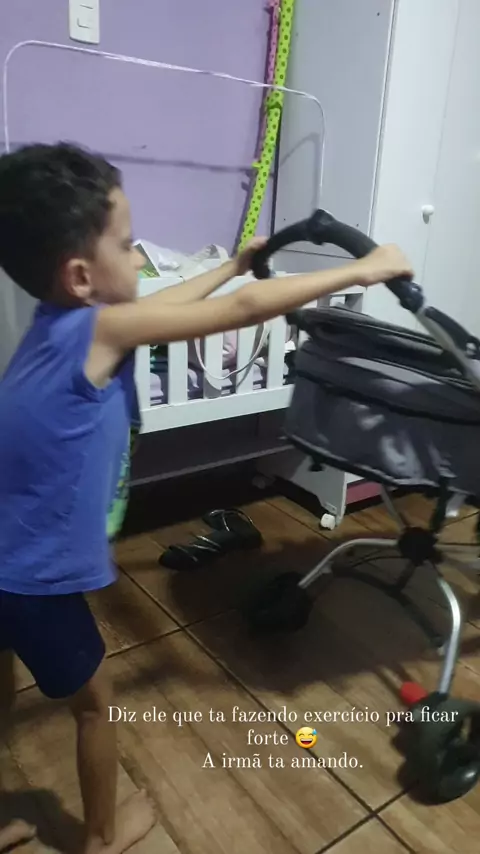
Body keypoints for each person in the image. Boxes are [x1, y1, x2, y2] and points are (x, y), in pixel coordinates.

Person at [0, 142, 414, 854]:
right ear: (80, 276)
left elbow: (160, 305)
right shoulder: (97, 330)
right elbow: (244, 311)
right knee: (95, 705)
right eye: (127, 246)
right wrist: (363, 269)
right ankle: (99, 837)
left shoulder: (53, 327)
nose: (138, 259)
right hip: (29, 580)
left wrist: (229, 265)